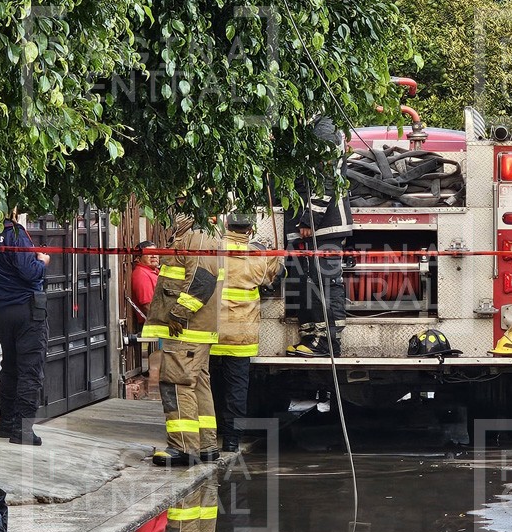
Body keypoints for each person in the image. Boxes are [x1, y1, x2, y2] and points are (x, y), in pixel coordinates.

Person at [141, 211, 224, 467]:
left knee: (176, 384)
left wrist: (179, 312)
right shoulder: (192, 232)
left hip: (186, 328)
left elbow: (202, 279)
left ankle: (183, 448)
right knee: (197, 384)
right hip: (191, 328)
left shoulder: (198, 234)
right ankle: (205, 444)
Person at [210, 213, 282, 452]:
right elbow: (276, 275)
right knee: (237, 388)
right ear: (249, 230)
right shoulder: (257, 257)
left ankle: (209, 434)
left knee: (207, 385)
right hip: (242, 335)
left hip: (211, 332)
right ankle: (231, 440)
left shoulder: (213, 250)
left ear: (227, 226)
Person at [0, 212, 50, 446]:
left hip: (0, 310)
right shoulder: (15, 234)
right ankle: (23, 430)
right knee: (30, 370)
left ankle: (6, 423)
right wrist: (42, 261)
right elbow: (30, 272)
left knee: (10, 366)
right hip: (27, 309)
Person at [284, 116, 353, 357]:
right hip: (309, 225)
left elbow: (326, 179)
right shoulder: (310, 128)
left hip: (324, 225)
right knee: (306, 281)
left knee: (326, 281)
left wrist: (310, 218)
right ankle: (313, 337)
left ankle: (328, 343)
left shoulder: (324, 130)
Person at [129, 240, 159, 331]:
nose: (153, 256)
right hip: (154, 326)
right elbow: (148, 306)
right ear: (138, 258)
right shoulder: (141, 275)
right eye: (149, 253)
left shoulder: (155, 271)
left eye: (155, 253)